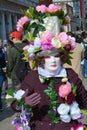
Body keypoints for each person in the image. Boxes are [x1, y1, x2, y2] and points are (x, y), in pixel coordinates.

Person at [11, 31, 87, 130]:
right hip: (40, 126)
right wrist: (22, 103)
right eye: (47, 56)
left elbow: (84, 101)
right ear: (41, 59)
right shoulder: (33, 77)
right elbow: (14, 105)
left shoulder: (70, 75)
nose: (53, 60)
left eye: (56, 56)